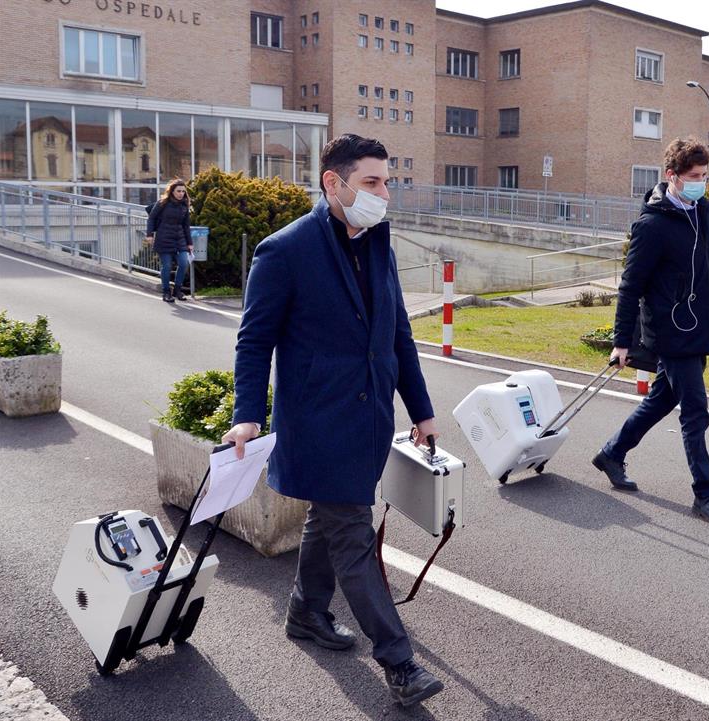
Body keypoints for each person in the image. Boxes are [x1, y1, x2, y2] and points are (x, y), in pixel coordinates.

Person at [222, 134, 444, 707]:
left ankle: (305, 612)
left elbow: (397, 335)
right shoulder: (284, 251)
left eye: (388, 182)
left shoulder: (377, 244)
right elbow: (255, 340)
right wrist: (248, 415)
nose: (383, 193)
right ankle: (400, 663)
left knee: (328, 518)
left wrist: (421, 410)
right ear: (333, 183)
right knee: (351, 533)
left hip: (369, 419)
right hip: (318, 423)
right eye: (372, 182)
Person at [592, 138, 709, 527]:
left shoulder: (704, 211)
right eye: (694, 177)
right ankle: (705, 495)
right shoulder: (652, 225)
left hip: (700, 328)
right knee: (695, 411)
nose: (701, 184)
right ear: (672, 176)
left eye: (705, 177)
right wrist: (621, 341)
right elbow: (630, 286)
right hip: (671, 332)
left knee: (661, 400)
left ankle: (611, 453)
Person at [146, 178, 192, 303]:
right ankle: (166, 292)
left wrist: (190, 243)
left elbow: (186, 226)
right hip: (164, 238)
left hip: (180, 239)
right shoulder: (162, 203)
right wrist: (149, 234)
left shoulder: (184, 205)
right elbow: (151, 218)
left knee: (184, 263)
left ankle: (177, 290)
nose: (181, 193)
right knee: (166, 266)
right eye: (178, 191)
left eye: (183, 191)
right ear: (172, 191)